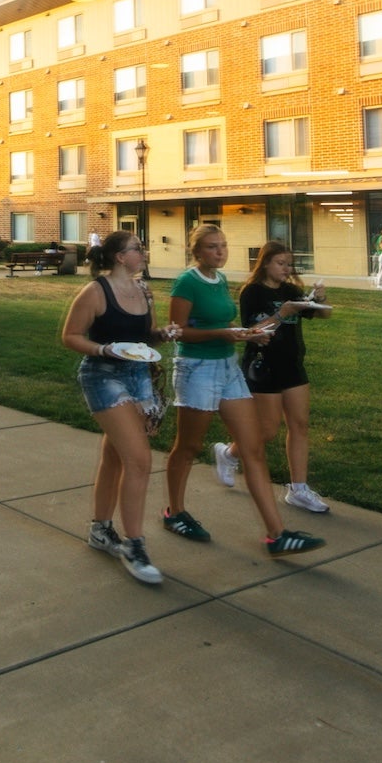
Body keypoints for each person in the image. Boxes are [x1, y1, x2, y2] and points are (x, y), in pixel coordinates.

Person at [162, 225, 325, 557]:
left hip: (228, 368)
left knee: (253, 448)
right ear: (197, 251)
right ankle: (174, 513)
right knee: (189, 446)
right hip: (197, 369)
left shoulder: (220, 280)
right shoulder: (187, 283)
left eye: (223, 245)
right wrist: (228, 334)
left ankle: (276, 534)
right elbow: (178, 333)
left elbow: (227, 327)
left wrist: (249, 335)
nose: (220, 252)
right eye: (212, 247)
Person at [60, 230, 172, 584]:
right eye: (137, 248)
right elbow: (71, 336)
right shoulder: (96, 291)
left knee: (115, 455)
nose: (143, 252)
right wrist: (104, 350)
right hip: (102, 375)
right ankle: (134, 545)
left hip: (138, 374)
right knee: (139, 459)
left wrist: (162, 333)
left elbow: (146, 333)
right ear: (121, 257)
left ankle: (101, 530)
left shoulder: (143, 290)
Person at [236, 240, 332, 514]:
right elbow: (251, 330)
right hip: (263, 366)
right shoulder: (252, 292)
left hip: (292, 366)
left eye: (289, 264)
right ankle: (229, 453)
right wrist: (283, 313)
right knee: (267, 430)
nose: (286, 269)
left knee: (299, 425)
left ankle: (298, 489)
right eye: (281, 263)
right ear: (265, 263)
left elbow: (322, 314)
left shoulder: (292, 290)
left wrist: (320, 298)